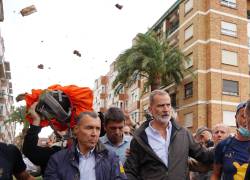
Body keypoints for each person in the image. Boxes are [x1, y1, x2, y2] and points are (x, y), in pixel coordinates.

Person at [124, 90, 213, 180]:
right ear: (150, 110)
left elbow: (204, 155)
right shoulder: (139, 138)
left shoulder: (183, 133)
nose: (166, 109)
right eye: (161, 106)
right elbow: (130, 171)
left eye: (168, 105)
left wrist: (225, 145)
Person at [44, 111, 127, 180]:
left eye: (97, 129)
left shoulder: (111, 158)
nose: (94, 134)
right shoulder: (57, 160)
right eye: (89, 128)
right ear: (76, 129)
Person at [211, 102, 250, 180]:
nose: (246, 120)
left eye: (249, 116)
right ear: (236, 117)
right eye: (243, 116)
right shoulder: (224, 145)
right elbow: (215, 175)